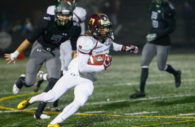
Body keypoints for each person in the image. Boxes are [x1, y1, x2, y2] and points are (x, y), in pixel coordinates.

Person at [16, 13, 138, 127]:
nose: (107, 30)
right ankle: (30, 100)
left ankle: (54, 123)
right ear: (94, 28)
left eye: (107, 27)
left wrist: (127, 48)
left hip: (88, 78)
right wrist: (102, 66)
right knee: (51, 97)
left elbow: (111, 45)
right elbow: (82, 67)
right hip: (74, 73)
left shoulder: (106, 37)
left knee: (80, 101)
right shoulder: (85, 41)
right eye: (103, 28)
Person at [5, 0, 81, 119]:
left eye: (67, 15)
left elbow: (74, 48)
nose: (65, 18)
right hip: (40, 49)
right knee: (29, 83)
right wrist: (15, 53)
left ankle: (38, 112)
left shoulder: (75, 27)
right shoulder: (47, 21)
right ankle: (22, 80)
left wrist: (76, 62)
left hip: (54, 52)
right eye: (62, 14)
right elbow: (29, 39)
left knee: (54, 80)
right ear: (56, 14)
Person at [130, 0, 181, 98]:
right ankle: (142, 91)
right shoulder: (153, 5)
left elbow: (172, 28)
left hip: (163, 42)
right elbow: (156, 23)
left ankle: (176, 73)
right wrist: (151, 33)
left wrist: (156, 34)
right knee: (144, 63)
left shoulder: (168, 8)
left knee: (161, 67)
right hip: (152, 40)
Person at [34, 0, 87, 93]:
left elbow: (80, 30)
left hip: (73, 44)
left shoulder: (80, 11)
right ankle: (53, 101)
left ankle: (42, 77)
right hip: (57, 43)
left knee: (66, 72)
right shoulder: (52, 9)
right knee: (60, 70)